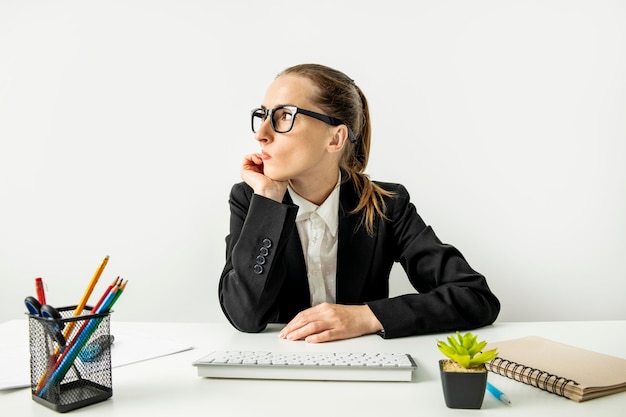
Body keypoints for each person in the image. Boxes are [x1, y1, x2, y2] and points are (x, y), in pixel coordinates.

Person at [219, 63, 500, 343]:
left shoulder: (387, 206)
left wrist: (365, 316)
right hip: (276, 370)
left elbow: (474, 296)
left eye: (284, 116)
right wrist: (268, 200)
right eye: (263, 115)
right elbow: (245, 317)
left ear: (336, 137)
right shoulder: (251, 200)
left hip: (366, 368)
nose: (261, 134)